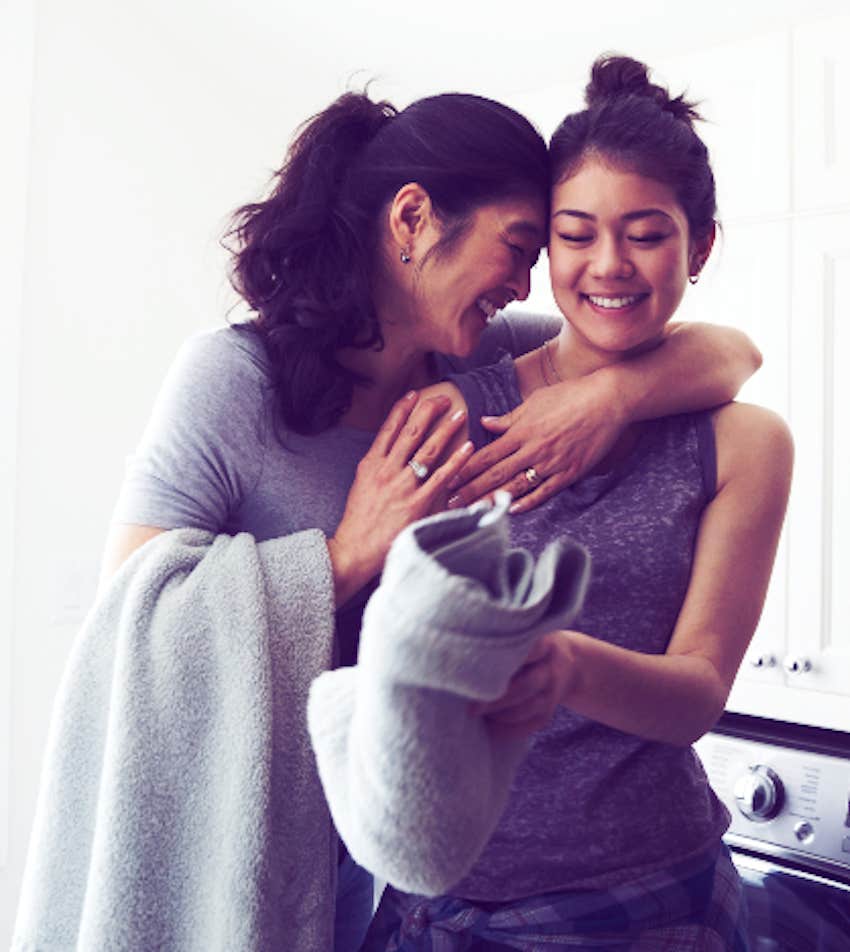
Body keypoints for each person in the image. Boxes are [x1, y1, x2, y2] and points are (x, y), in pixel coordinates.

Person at [90, 88, 759, 951]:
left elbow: (723, 350)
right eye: (524, 249)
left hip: (371, 840)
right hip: (240, 818)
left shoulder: (476, 354)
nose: (526, 284)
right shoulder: (231, 380)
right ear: (412, 219)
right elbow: (132, 624)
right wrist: (344, 554)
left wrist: (610, 396)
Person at [361, 55, 793, 951]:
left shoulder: (744, 443)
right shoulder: (451, 408)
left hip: (646, 902)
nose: (610, 265)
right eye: (576, 233)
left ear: (700, 246)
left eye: (646, 234)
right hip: (432, 904)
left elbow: (697, 696)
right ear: (545, 249)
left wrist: (563, 665)